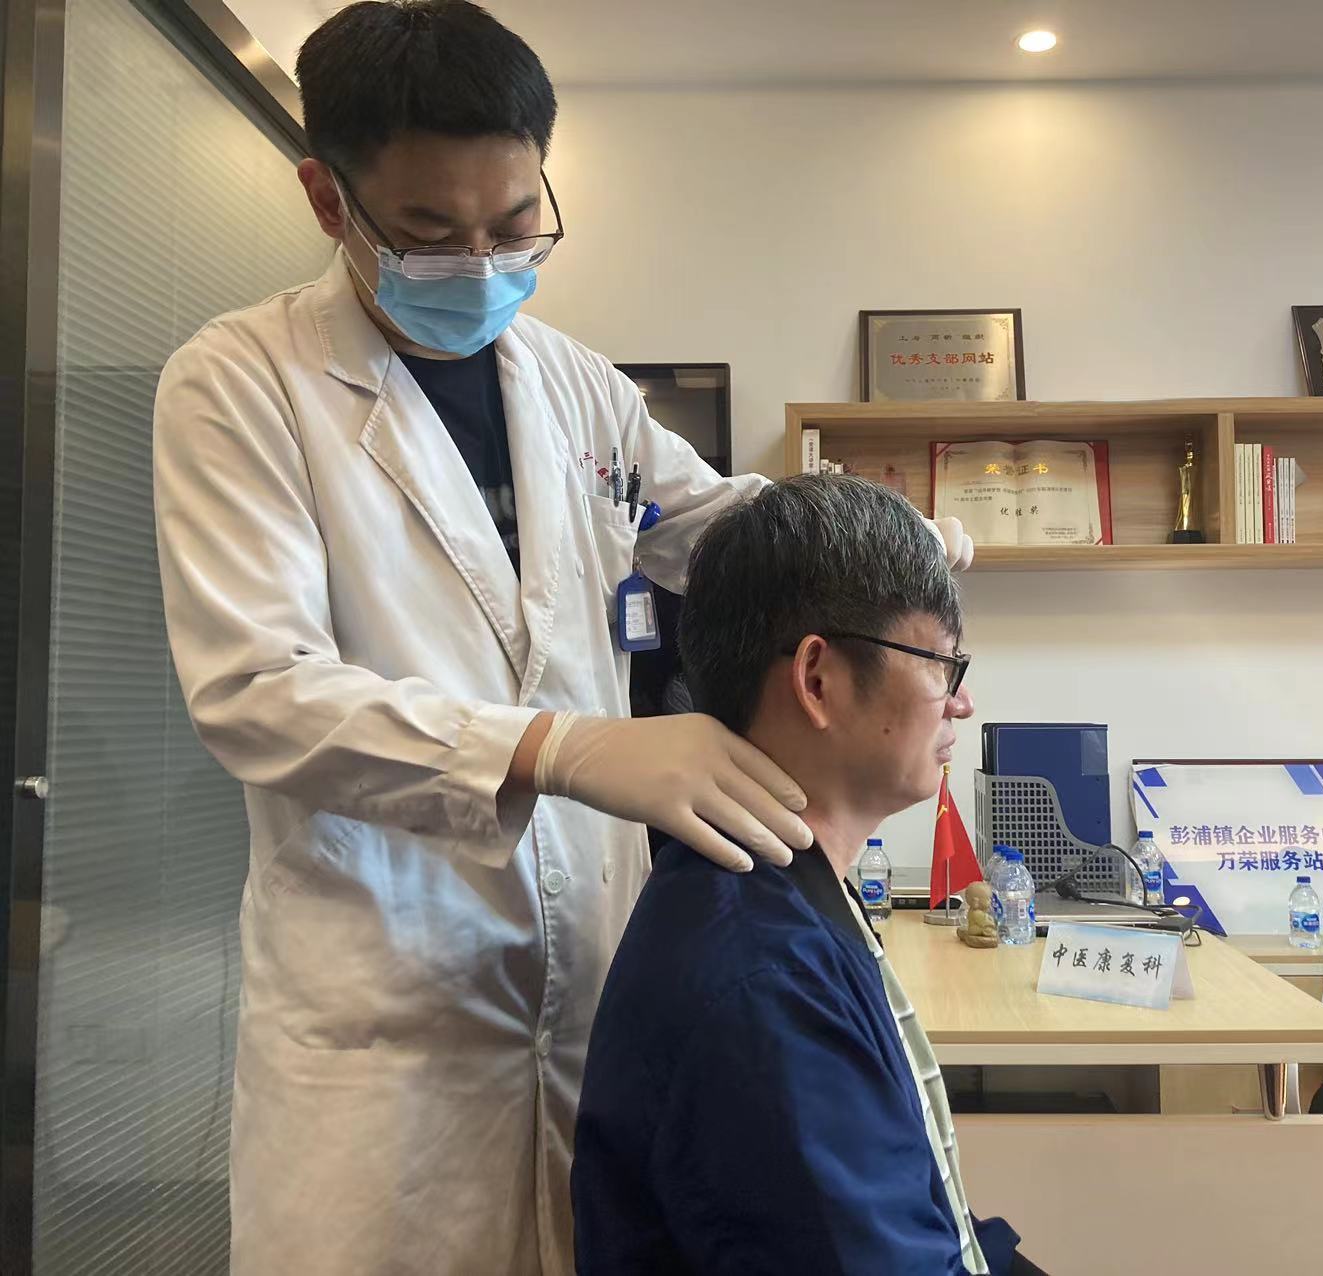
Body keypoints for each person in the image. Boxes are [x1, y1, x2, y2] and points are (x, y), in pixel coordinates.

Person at [150, 4, 972, 1273]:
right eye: (431, 232)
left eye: (516, 222)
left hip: (589, 980)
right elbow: (257, 691)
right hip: (387, 1027)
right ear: (327, 200)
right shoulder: (240, 382)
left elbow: (717, 525)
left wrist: (879, 546)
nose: (481, 262)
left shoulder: (575, 384)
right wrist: (557, 748)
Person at [572, 475, 1043, 1275]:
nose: (959, 704)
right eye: (942, 664)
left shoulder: (777, 899)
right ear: (818, 679)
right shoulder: (765, 982)